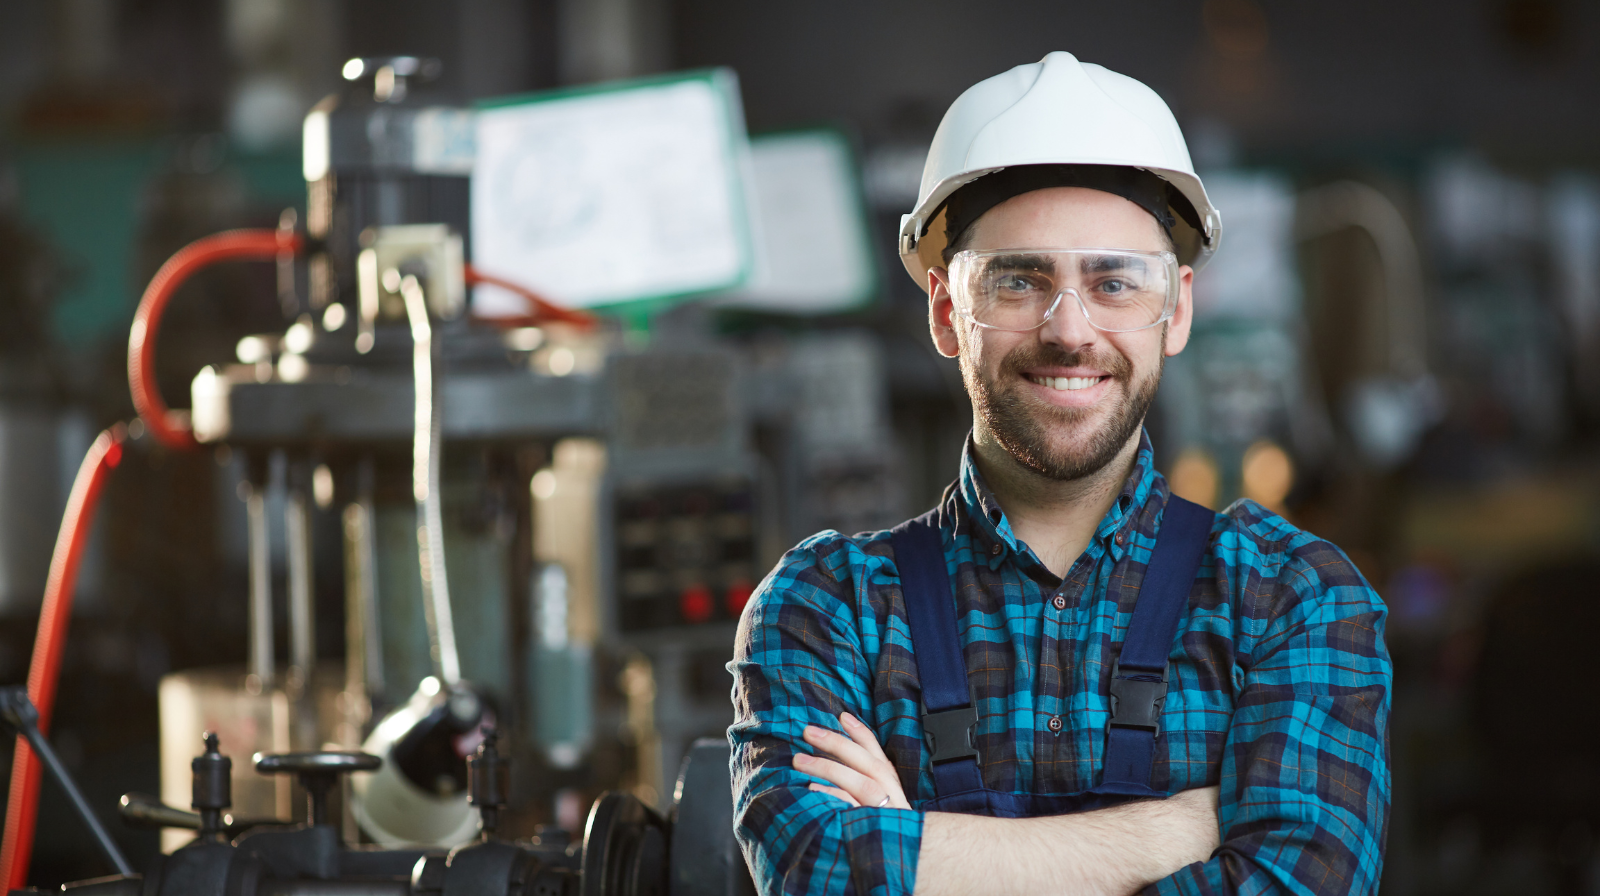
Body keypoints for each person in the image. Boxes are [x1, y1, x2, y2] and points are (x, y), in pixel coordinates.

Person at [728, 51, 1391, 896]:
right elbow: (819, 869)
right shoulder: (828, 607)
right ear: (945, 313)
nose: (1069, 330)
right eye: (1018, 281)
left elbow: (1301, 885)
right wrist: (1176, 832)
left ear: (1176, 310)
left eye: (1114, 281)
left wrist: (916, 848)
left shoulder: (1290, 598)